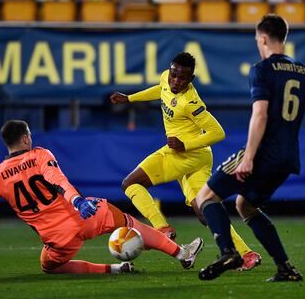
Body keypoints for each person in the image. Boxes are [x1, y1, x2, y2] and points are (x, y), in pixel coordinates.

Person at [196, 14, 305, 281]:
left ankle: (227, 251)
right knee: (245, 206)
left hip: (262, 152)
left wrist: (248, 157)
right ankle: (285, 267)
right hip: (287, 159)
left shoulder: (261, 70)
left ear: (262, 38)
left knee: (205, 197)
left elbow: (260, 114)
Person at [0, 120, 203, 274]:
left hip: (58, 240)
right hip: (83, 216)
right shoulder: (39, 155)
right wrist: (78, 201)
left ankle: (115, 269)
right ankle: (182, 253)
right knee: (130, 222)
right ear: (25, 139)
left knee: (50, 266)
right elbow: (58, 181)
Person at [110, 52, 262, 271]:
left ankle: (162, 228)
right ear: (170, 71)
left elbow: (218, 132)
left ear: (191, 79)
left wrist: (185, 145)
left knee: (130, 184)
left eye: (182, 78)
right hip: (199, 157)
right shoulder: (165, 79)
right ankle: (247, 254)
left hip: (186, 154)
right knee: (205, 211)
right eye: (174, 74)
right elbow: (160, 91)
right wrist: (130, 98)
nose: (175, 81)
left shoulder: (191, 103)